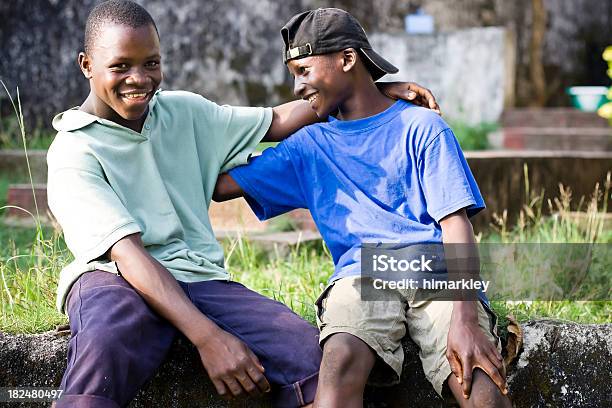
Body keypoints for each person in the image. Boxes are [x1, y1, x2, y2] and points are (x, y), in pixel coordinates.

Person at [47, 1, 440, 407]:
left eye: (152, 63)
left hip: (198, 278)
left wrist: (363, 91)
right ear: (86, 65)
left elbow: (278, 119)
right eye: (120, 66)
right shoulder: (74, 151)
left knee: (310, 358)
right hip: (115, 278)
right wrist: (209, 338)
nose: (139, 78)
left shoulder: (184, 111)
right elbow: (129, 256)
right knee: (106, 346)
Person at [213, 8, 512, 408]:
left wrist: (465, 320)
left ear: (348, 59)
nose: (298, 86)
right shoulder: (309, 146)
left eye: (304, 71)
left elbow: (456, 225)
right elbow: (220, 185)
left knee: (479, 382)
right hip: (361, 276)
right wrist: (322, 104)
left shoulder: (422, 128)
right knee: (338, 366)